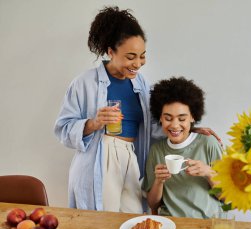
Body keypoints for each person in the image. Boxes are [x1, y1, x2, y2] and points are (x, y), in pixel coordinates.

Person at [54, 6, 220, 213]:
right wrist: (94, 123)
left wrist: (191, 129)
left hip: (131, 158)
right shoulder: (85, 83)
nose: (138, 63)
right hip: (102, 157)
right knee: (103, 225)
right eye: (131, 56)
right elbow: (63, 129)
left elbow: (154, 127)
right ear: (110, 51)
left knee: (133, 221)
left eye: (142, 56)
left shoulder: (141, 84)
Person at [142, 77, 223, 218]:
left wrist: (209, 173)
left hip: (207, 224)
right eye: (168, 118)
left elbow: (227, 198)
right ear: (160, 118)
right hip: (170, 225)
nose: (174, 125)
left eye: (181, 119)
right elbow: (153, 204)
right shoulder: (157, 150)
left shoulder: (208, 143)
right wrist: (158, 181)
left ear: (192, 117)